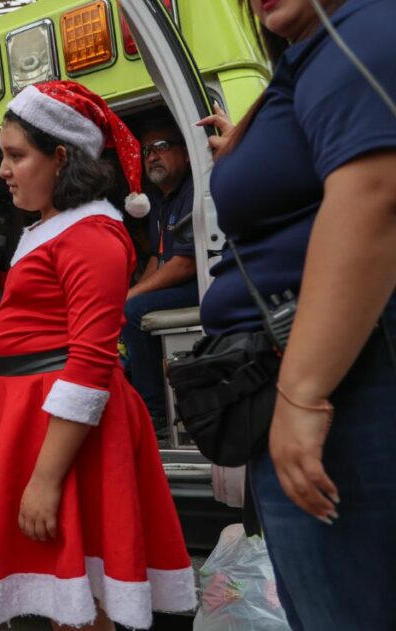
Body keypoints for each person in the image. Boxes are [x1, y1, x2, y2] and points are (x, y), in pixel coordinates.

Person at [0, 81, 195, 630]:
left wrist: (46, 478)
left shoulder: (93, 233)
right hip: (25, 417)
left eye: (16, 155)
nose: (3, 169)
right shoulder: (48, 227)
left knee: (81, 588)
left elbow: (92, 361)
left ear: (62, 157)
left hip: (63, 428)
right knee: (60, 583)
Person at [195, 1, 396, 628]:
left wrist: (303, 394)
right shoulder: (312, 56)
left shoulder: (366, 26)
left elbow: (375, 194)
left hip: (355, 387)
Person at [121, 116, 198, 428]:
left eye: (162, 147)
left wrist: (132, 295)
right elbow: (160, 256)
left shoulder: (193, 189)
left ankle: (153, 410)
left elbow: (184, 263)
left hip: (203, 281)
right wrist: (129, 290)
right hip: (180, 281)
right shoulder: (158, 201)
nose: (152, 156)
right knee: (127, 305)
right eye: (146, 150)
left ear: (186, 152)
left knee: (133, 308)